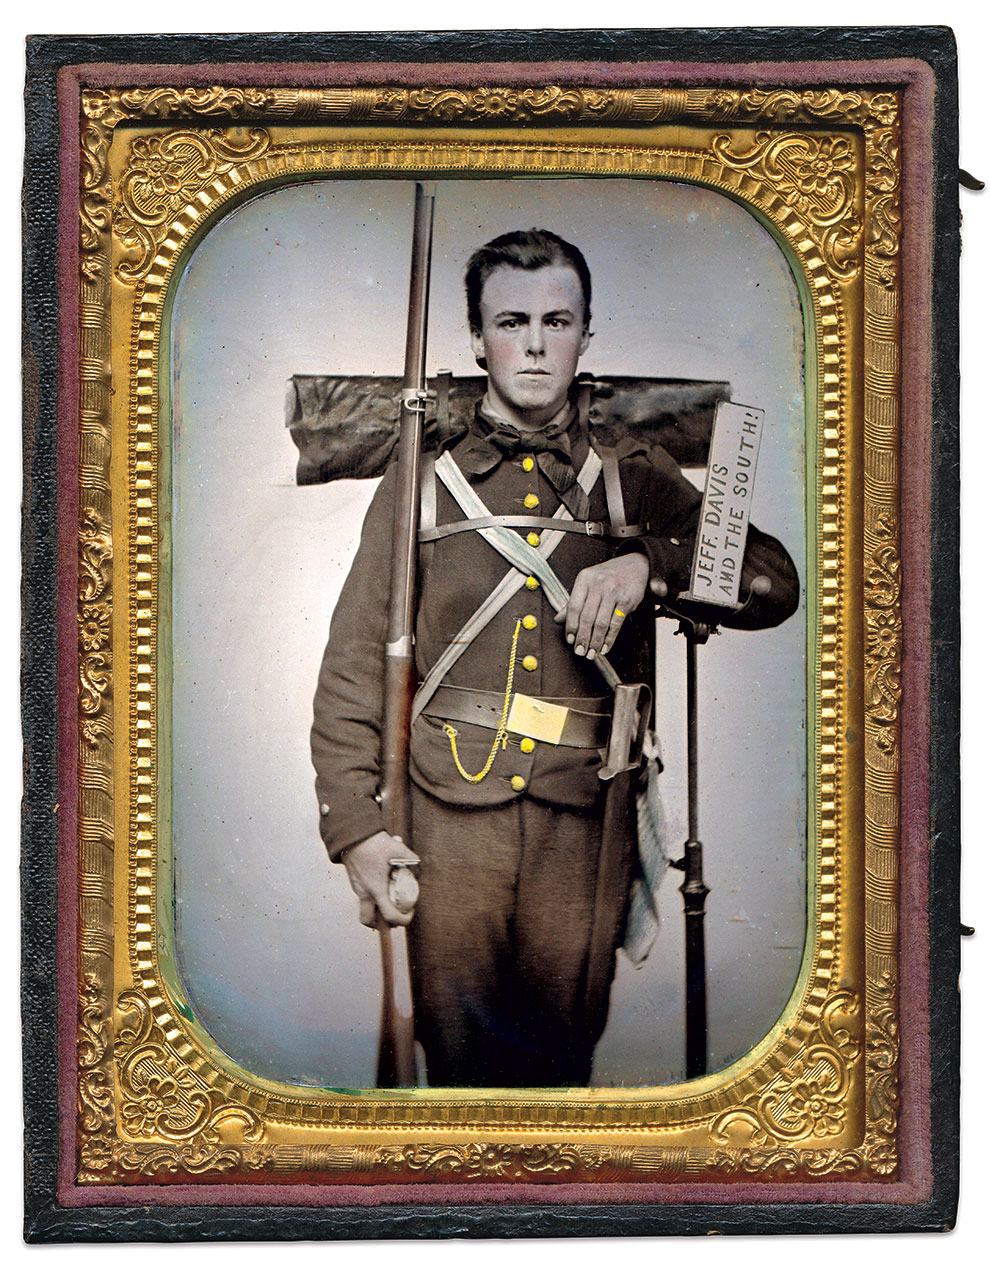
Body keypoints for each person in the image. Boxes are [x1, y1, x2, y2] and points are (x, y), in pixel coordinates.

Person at [311, 229, 798, 1088]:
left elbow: (771, 583)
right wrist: (355, 827)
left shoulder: (635, 475)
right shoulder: (422, 481)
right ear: (477, 339)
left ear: (585, 335)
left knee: (560, 1074)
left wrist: (650, 561)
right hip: (446, 818)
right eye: (511, 321)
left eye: (556, 320)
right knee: (459, 1074)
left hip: (587, 819)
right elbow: (353, 665)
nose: (535, 343)